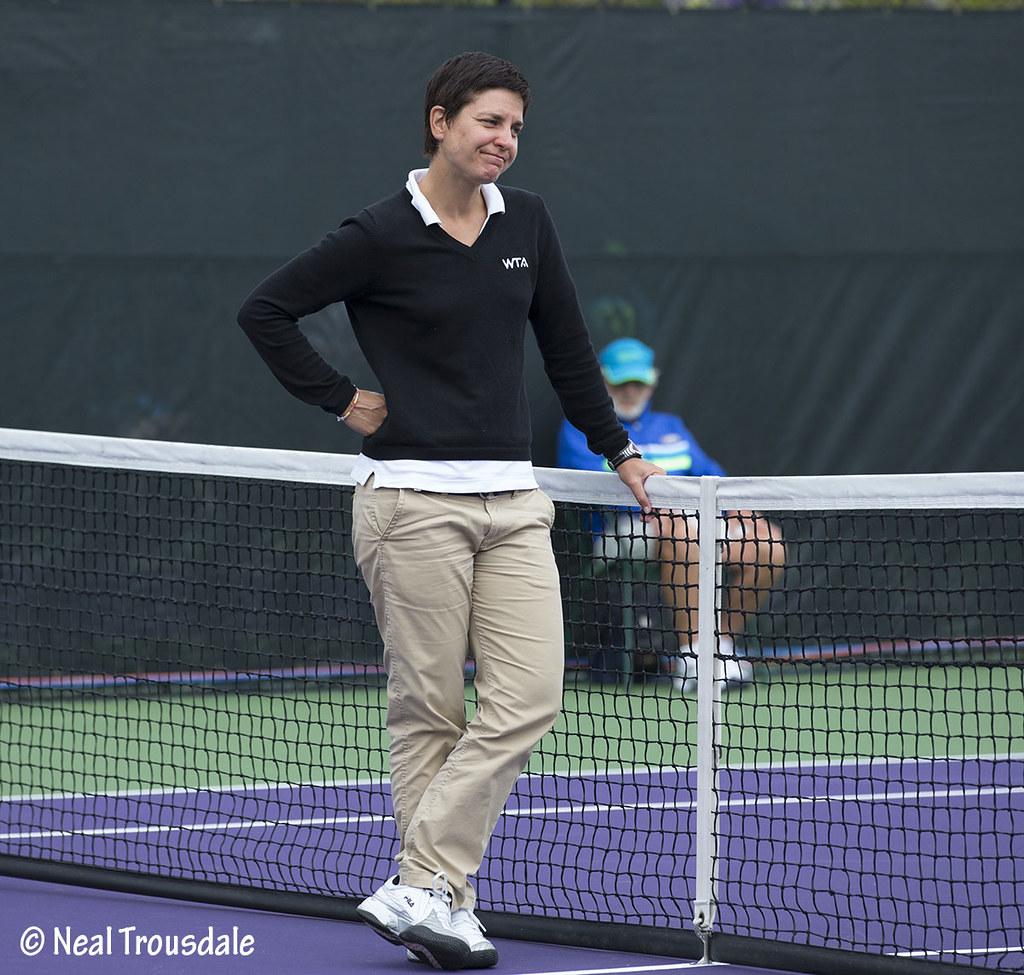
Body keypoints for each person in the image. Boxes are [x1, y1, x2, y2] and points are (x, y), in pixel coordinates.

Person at [237, 53, 663, 971]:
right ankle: (446, 904)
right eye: (488, 123)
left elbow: (567, 347)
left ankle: (421, 881)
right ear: (441, 121)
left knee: (529, 697)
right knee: (428, 710)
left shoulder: (530, 223)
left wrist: (617, 448)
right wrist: (343, 399)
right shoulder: (379, 233)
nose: (505, 141)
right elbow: (265, 310)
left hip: (514, 502)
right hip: (409, 506)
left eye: (515, 127)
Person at [557, 337, 786, 692]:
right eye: (621, 382)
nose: (631, 390)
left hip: (692, 522)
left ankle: (719, 648)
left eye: (638, 382)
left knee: (768, 543)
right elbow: (593, 495)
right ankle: (693, 658)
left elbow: (713, 476)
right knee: (681, 530)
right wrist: (664, 510)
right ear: (603, 381)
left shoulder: (672, 427)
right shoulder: (579, 429)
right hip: (621, 534)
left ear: (651, 382)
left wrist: (741, 510)